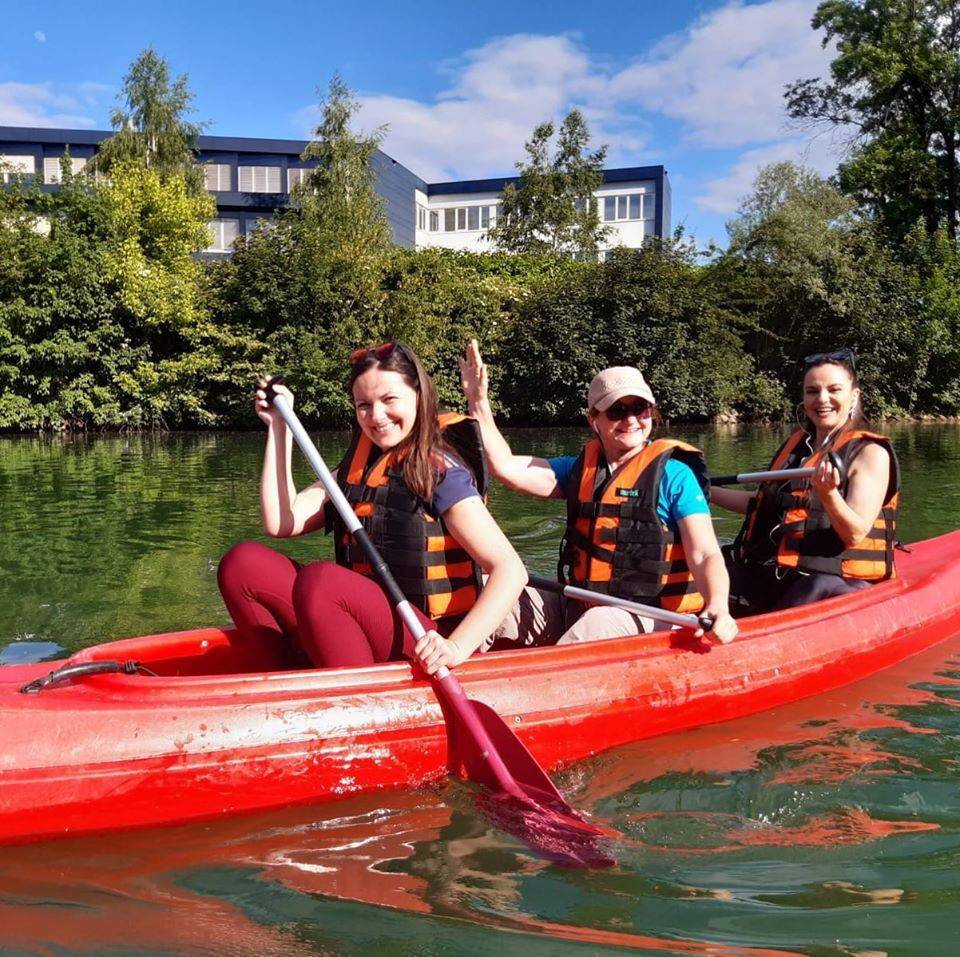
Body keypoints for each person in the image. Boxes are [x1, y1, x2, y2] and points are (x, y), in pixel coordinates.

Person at [218, 341, 527, 675]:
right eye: (363, 405)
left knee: (323, 581)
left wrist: (454, 648)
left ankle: (357, 700)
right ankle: (287, 684)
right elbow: (281, 521)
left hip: (430, 642)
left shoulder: (440, 472)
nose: (376, 416)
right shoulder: (357, 468)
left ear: (418, 395)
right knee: (243, 564)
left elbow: (511, 570)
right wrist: (280, 427)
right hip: (363, 628)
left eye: (389, 399)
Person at [458, 340, 739, 647]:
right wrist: (478, 402)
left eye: (640, 408)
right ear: (594, 420)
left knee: (597, 623)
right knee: (492, 595)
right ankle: (451, 667)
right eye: (618, 410)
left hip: (652, 616)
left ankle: (551, 684)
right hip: (580, 604)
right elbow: (505, 467)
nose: (631, 419)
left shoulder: (676, 476)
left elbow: (705, 553)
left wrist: (718, 606)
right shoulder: (578, 471)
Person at [711, 349, 900, 613]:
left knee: (818, 587)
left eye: (834, 390)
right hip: (776, 572)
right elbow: (760, 503)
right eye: (812, 391)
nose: (822, 399)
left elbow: (855, 533)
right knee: (709, 570)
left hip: (832, 580)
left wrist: (829, 495)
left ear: (854, 396)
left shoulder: (870, 453)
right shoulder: (796, 448)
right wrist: (703, 492)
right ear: (803, 397)